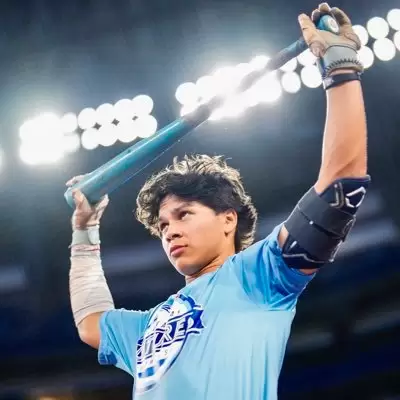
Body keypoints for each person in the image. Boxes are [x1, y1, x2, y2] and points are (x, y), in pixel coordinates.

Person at [67, 3, 370, 399]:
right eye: (163, 225)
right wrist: (85, 230)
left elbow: (339, 191)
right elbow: (90, 322)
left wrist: (340, 66)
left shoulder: (259, 275)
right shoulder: (147, 326)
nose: (170, 230)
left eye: (184, 214)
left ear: (229, 219)